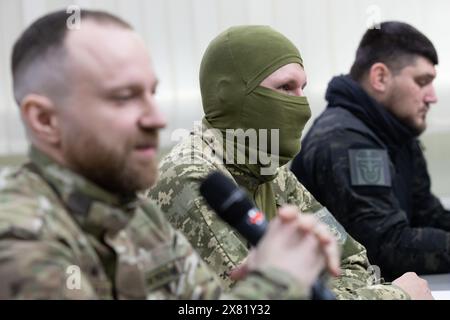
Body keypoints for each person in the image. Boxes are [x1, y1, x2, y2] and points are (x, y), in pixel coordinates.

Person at [0, 9, 340, 299]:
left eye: (151, 93)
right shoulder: (22, 239)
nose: (156, 118)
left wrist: (264, 275)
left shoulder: (133, 215)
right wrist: (279, 281)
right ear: (45, 120)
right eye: (123, 96)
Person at [149, 25, 432, 299]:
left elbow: (351, 261)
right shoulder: (196, 180)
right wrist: (395, 296)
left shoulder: (268, 166)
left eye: (303, 88)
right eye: (285, 87)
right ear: (229, 95)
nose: (303, 107)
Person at [291, 21, 450, 281]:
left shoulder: (395, 130)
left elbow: (426, 213)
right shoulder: (345, 139)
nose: (432, 96)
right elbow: (387, 247)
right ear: (380, 77)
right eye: (422, 82)